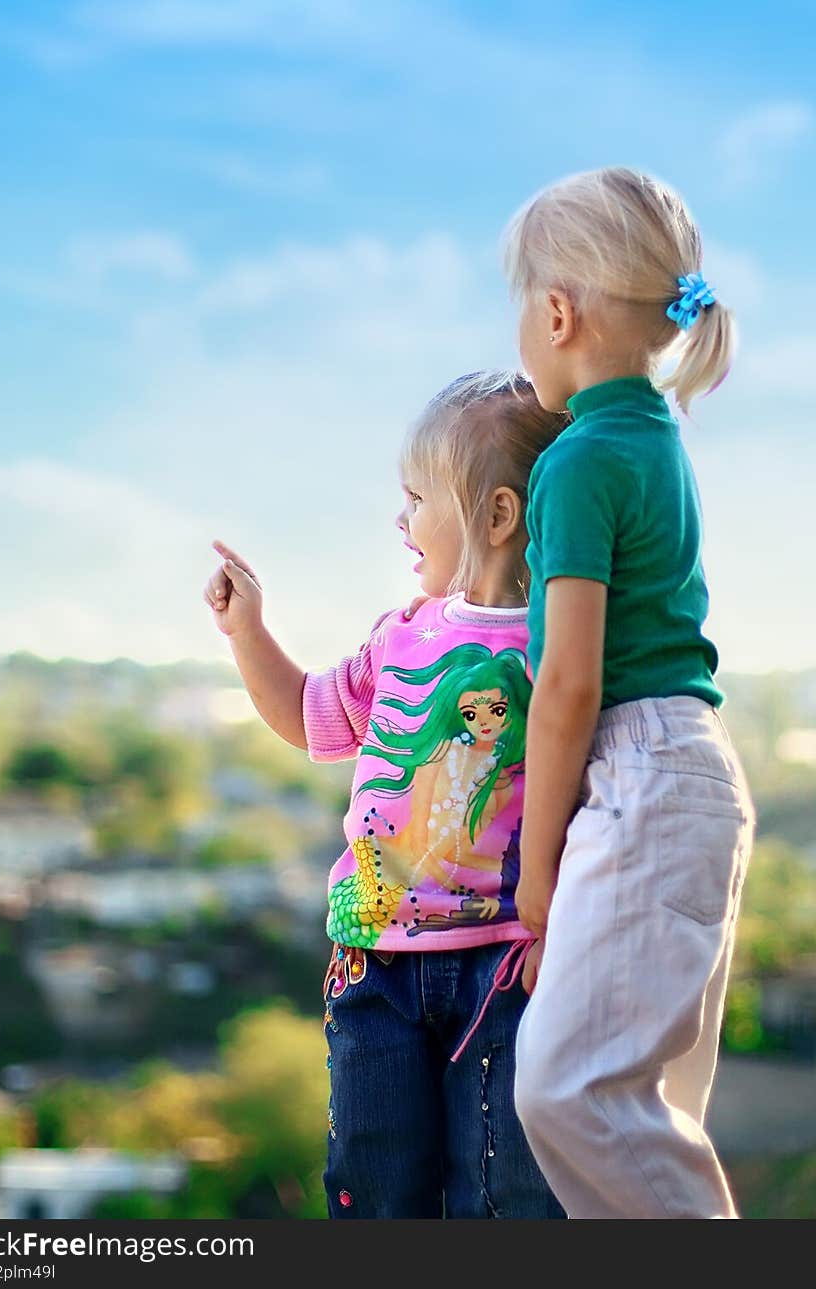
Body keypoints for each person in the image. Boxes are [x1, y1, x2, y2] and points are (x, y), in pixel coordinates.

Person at [203, 370, 568, 1219]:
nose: (399, 522)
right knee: (375, 1184)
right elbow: (307, 714)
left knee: (506, 1189)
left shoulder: (558, 645)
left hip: (504, 968)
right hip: (375, 965)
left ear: (497, 517)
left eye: (416, 500)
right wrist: (248, 630)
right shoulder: (399, 637)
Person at [505, 166, 756, 1219]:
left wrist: (537, 862)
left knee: (563, 1089)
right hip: (695, 768)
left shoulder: (579, 460)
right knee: (653, 1105)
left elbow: (567, 684)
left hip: (638, 771)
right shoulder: (657, 438)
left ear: (557, 311)